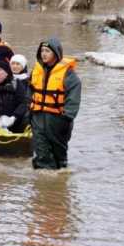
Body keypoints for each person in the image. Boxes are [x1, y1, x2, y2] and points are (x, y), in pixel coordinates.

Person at [29, 38, 81, 170]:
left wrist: (67, 117)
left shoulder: (69, 75)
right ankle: (43, 185)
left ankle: (58, 184)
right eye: (42, 51)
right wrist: (28, 113)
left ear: (56, 53)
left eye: (47, 51)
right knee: (41, 152)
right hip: (38, 118)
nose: (44, 54)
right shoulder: (36, 70)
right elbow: (29, 92)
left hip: (58, 120)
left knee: (60, 158)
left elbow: (73, 99)